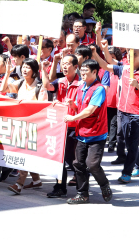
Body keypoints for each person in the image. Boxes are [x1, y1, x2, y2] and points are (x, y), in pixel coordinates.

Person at [94, 45, 139, 182]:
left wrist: (138, 85)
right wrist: (96, 54)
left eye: (134, 54)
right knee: (128, 142)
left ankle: (126, 173)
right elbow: (105, 65)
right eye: (129, 54)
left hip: (138, 113)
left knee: (132, 143)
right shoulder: (124, 69)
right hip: (122, 111)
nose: (129, 56)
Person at [64, 59, 112, 204]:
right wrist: (74, 105)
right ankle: (82, 193)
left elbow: (90, 110)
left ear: (95, 72)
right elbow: (82, 106)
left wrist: (73, 116)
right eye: (82, 70)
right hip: (82, 133)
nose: (82, 73)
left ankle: (104, 185)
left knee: (92, 165)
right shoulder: (81, 87)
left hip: (96, 134)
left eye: (86, 71)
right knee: (78, 164)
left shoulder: (99, 89)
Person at [3, 58, 47, 194]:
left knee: (25, 155)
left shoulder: (40, 87)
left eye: (28, 67)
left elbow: (43, 108)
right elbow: (3, 89)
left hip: (34, 127)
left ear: (34, 71)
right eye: (23, 67)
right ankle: (36, 181)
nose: (24, 69)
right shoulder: (20, 83)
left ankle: (19, 184)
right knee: (26, 153)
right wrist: (7, 73)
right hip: (20, 125)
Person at [42, 53, 81, 198]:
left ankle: (82, 187)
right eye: (63, 63)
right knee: (59, 158)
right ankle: (60, 187)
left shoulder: (82, 84)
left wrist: (74, 105)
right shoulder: (60, 81)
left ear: (76, 67)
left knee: (74, 160)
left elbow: (84, 107)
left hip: (76, 126)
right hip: (60, 126)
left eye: (67, 64)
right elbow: (48, 86)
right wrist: (44, 70)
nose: (64, 66)